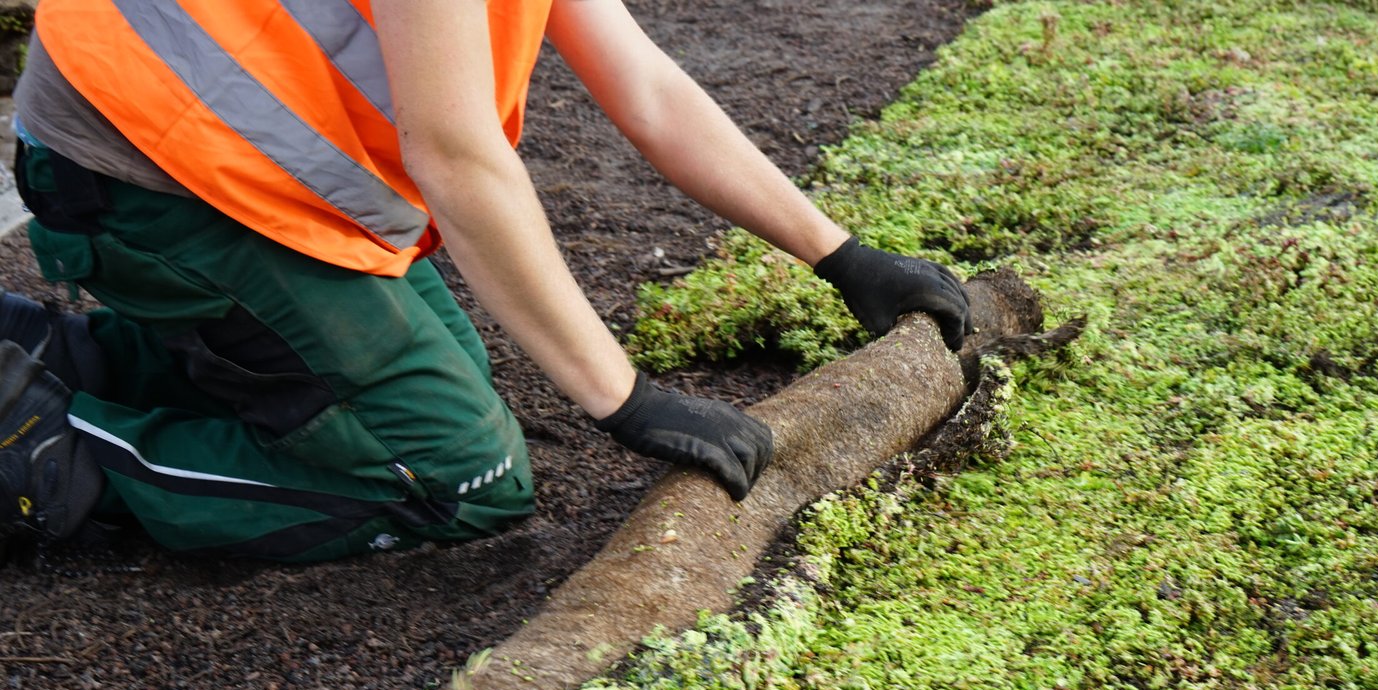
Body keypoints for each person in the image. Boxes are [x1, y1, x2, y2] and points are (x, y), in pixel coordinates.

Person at [0, 0, 972, 562]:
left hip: (201, 162)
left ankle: (53, 354)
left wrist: (843, 258)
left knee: (422, 385)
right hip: (148, 178)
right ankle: (41, 450)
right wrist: (623, 399)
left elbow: (644, 85)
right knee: (452, 478)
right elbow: (455, 153)